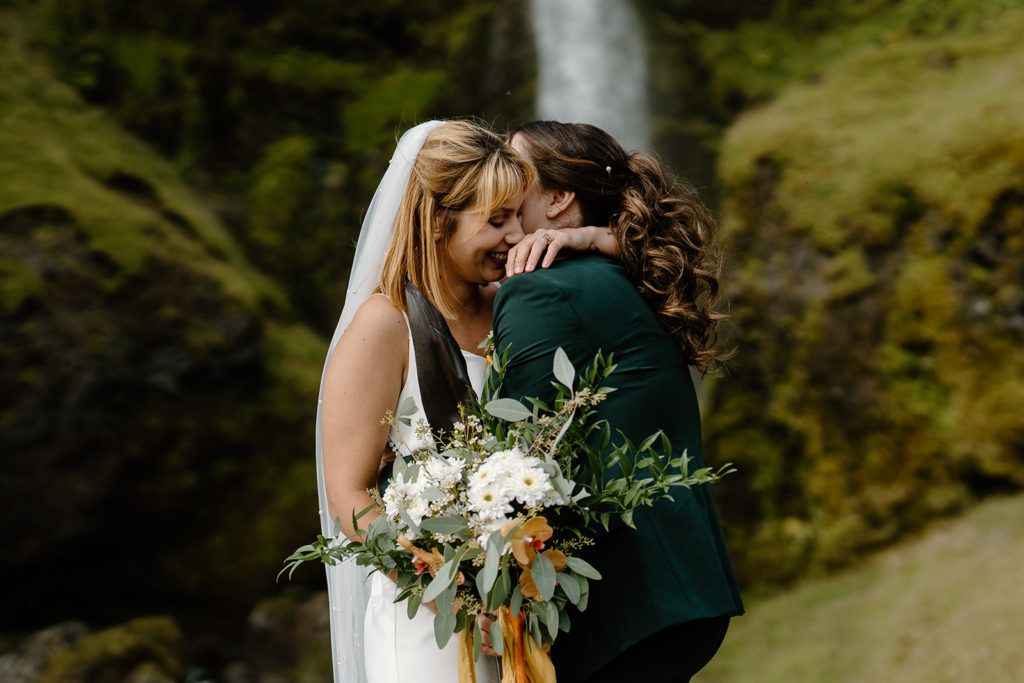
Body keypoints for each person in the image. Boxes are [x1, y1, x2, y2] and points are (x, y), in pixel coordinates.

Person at [314, 120, 612, 683]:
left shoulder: (512, 306)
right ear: (434, 222)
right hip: (427, 619)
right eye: (496, 221)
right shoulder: (385, 324)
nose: (515, 236)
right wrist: (446, 589)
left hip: (518, 612)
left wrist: (593, 238)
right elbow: (348, 496)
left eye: (518, 218)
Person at [490, 120, 745, 683]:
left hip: (625, 604)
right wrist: (600, 235)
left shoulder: (539, 288)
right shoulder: (627, 272)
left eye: (513, 172)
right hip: (675, 588)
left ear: (558, 199)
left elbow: (514, 460)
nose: (496, 184)